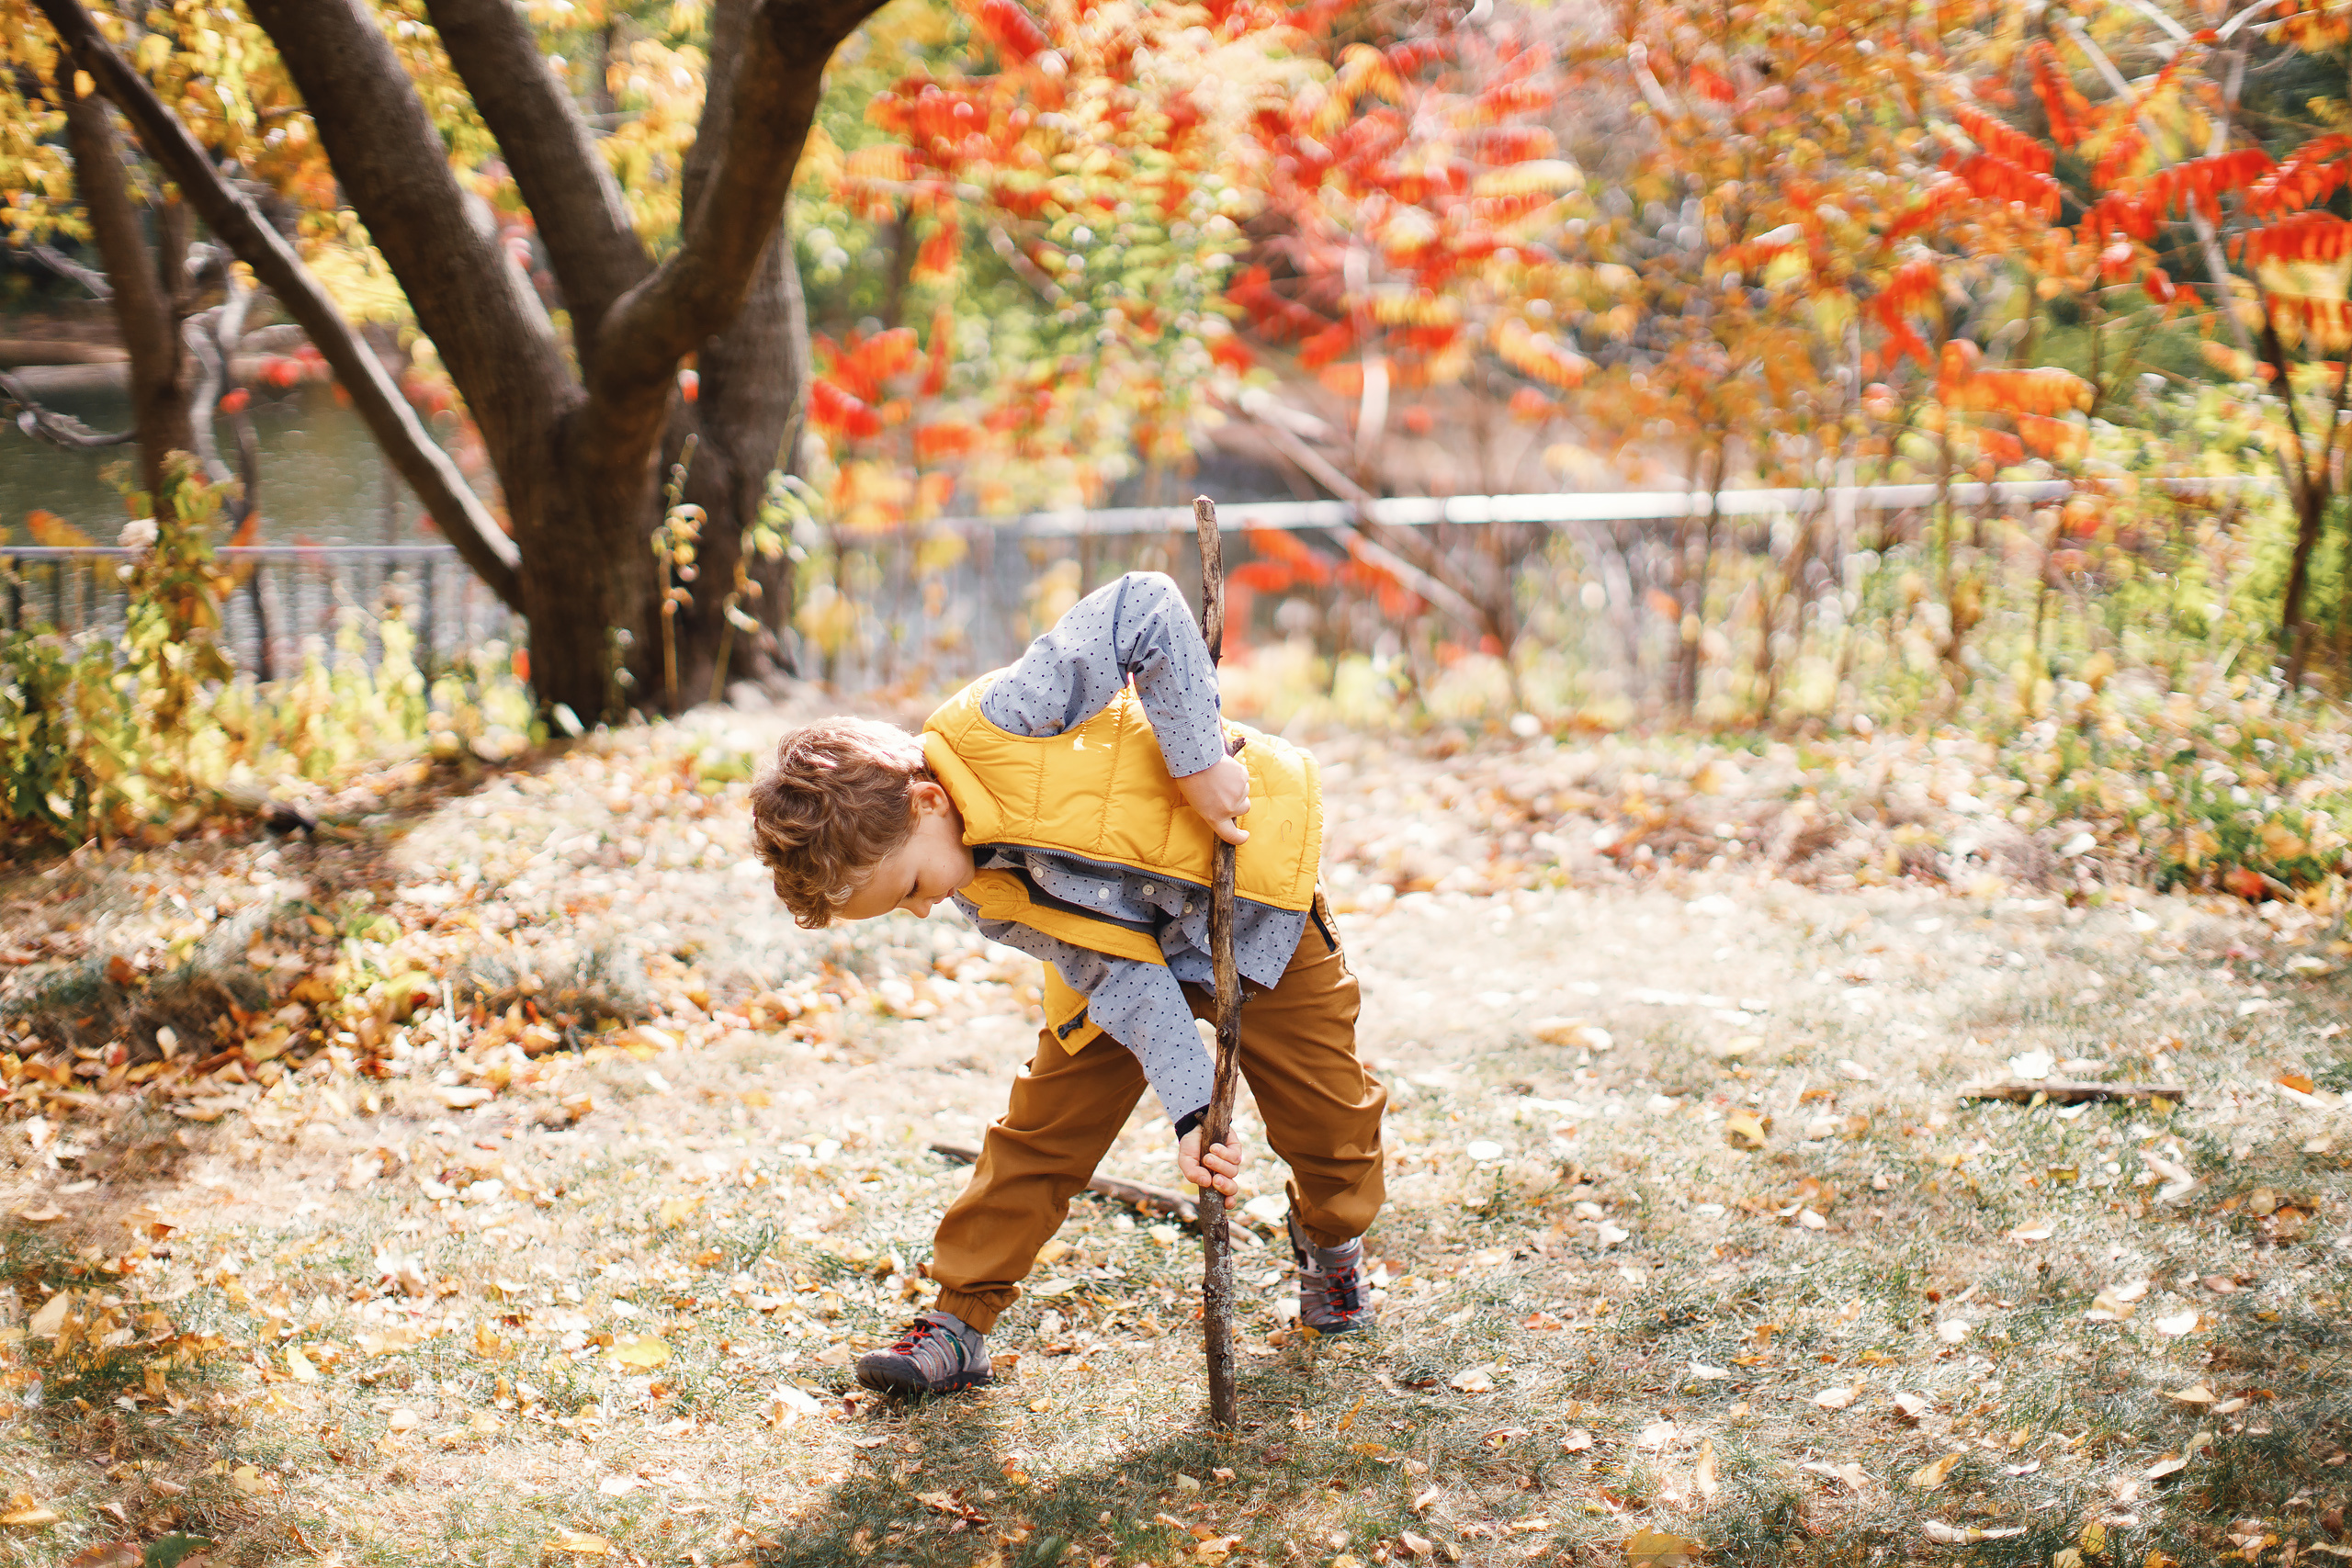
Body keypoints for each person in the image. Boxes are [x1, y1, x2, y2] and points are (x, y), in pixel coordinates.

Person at [745, 571, 1386, 1397]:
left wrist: (1196, 766)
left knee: (1329, 1115)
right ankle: (958, 1320)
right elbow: (1121, 976)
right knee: (1042, 1129)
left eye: (907, 889)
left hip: (1257, 904)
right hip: (1128, 964)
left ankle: (1331, 1243)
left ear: (928, 799)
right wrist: (1195, 1111)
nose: (918, 912)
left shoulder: (1006, 716)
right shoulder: (988, 895)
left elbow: (1146, 606)